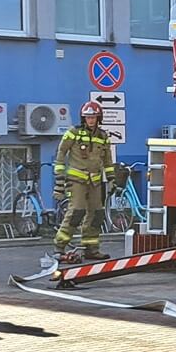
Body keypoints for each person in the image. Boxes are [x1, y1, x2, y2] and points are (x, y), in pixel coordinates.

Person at [52, 101, 112, 261]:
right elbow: (61, 152)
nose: (90, 120)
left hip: (95, 182)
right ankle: (60, 247)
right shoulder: (74, 133)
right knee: (76, 211)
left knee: (97, 214)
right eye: (88, 117)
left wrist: (112, 179)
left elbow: (107, 161)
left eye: (93, 117)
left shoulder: (103, 136)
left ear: (98, 118)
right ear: (83, 118)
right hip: (76, 180)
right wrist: (59, 176)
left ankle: (91, 248)